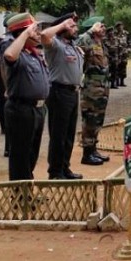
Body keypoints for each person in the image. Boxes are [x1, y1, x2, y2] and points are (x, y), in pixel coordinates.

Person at [3, 13, 49, 180]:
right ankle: (19, 197)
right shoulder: (16, 52)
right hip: (21, 109)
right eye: (35, 30)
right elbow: (9, 56)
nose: (38, 33)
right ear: (24, 32)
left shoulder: (34, 53)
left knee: (32, 153)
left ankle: (27, 189)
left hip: (37, 109)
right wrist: (25, 33)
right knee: (20, 155)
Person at [41, 13, 84, 180]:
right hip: (59, 92)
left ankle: (65, 168)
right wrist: (61, 25)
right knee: (58, 134)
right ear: (63, 27)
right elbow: (44, 34)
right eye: (72, 26)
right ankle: (55, 172)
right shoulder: (55, 45)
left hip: (73, 92)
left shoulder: (72, 45)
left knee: (68, 134)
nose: (75, 29)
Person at [78, 20, 111, 166]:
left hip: (102, 87)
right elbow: (77, 44)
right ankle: (87, 153)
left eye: (104, 25)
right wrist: (90, 32)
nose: (103, 28)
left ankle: (93, 149)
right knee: (90, 119)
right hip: (91, 87)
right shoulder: (86, 40)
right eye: (100, 25)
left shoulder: (100, 43)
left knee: (98, 120)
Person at [114, 22, 131, 87]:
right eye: (118, 26)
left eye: (121, 26)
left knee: (123, 67)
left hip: (124, 53)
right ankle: (117, 81)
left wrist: (129, 49)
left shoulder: (126, 33)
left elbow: (129, 42)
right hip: (117, 53)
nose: (120, 27)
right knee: (117, 67)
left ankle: (122, 81)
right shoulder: (114, 33)